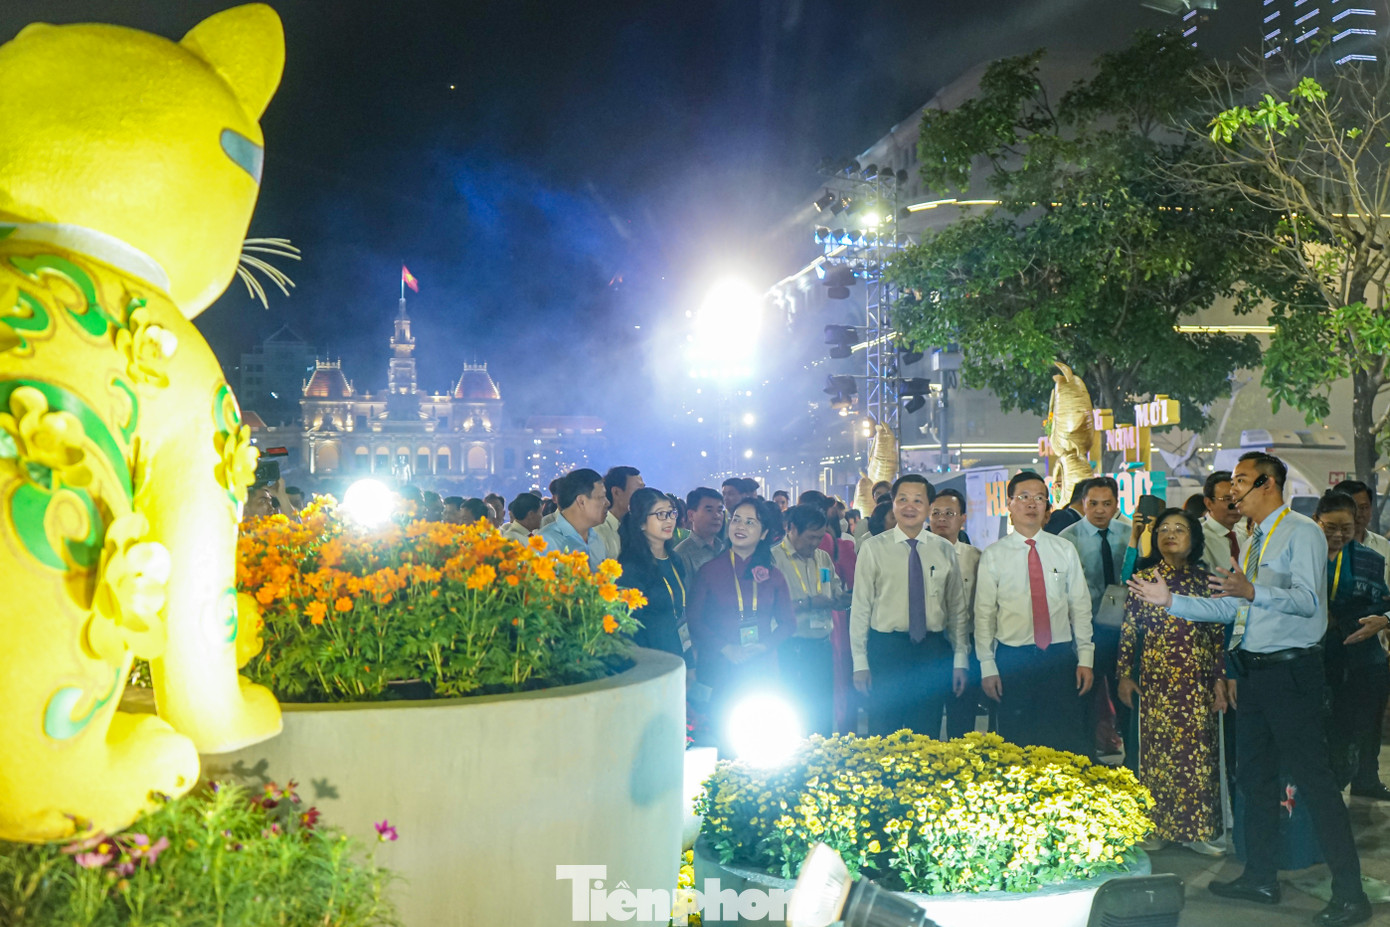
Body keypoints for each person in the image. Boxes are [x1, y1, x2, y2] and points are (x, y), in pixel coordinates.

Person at [1127, 452, 1370, 927]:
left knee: (1315, 782)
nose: (1232, 489)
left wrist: (1252, 592)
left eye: (1240, 480)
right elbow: (1234, 609)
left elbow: (1308, 601)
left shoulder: (1301, 532)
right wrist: (1172, 601)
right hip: (1255, 674)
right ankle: (1260, 876)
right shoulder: (1257, 537)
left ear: (1268, 484)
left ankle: (1350, 893)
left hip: (1291, 674)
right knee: (1254, 779)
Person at [1116, 508, 1227, 856]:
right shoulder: (1143, 579)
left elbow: (1219, 633)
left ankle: (1199, 831)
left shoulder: (1207, 582)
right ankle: (1157, 828)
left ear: (1194, 538)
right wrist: (1124, 675)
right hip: (1155, 683)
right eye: (1163, 528)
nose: (1170, 534)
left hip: (1197, 682)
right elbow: (1129, 631)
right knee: (1156, 758)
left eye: (1179, 528)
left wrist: (1221, 677)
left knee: (1199, 756)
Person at [976, 471, 1094, 755]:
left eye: (1039, 498)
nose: (1032, 504)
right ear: (1009, 504)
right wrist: (987, 666)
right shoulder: (994, 555)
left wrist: (1085, 658)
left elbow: (1080, 606)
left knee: (1064, 740)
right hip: (1013, 660)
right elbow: (984, 615)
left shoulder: (1064, 549)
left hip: (1059, 657)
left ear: (1047, 507)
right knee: (1017, 743)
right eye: (1024, 497)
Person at [851, 475, 969, 738]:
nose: (909, 506)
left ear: (928, 507)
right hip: (886, 651)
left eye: (918, 500)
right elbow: (860, 609)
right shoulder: (873, 549)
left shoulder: (944, 550)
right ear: (892, 504)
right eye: (902, 499)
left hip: (931, 650)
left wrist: (960, 658)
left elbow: (957, 610)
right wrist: (860, 662)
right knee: (884, 731)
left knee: (926, 731)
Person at [686, 498, 794, 756]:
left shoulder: (773, 575)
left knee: (764, 745)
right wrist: (726, 648)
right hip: (721, 667)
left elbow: (788, 623)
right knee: (727, 742)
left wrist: (764, 646)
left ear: (764, 533)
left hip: (761, 668)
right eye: (736, 519)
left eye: (750, 522)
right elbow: (694, 620)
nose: (740, 526)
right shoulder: (709, 571)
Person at [1314, 491, 1390, 800]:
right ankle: (1323, 791)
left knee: (1359, 725)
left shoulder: (1371, 559)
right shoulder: (1302, 556)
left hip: (1360, 654)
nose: (1338, 535)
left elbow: (1383, 600)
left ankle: (1360, 779)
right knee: (1323, 726)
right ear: (1317, 521)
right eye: (1330, 527)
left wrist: (1379, 619)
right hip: (1316, 655)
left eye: (1345, 528)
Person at [1061, 476, 1131, 760]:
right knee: (1084, 696)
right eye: (1093, 504)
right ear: (1083, 503)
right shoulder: (1067, 539)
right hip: (1085, 630)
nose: (1100, 510)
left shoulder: (1130, 534)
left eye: (1107, 503)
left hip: (1123, 630)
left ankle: (1132, 759)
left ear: (1116, 504)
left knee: (1125, 695)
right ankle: (1085, 760)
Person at [772, 504, 847, 735]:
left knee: (822, 713)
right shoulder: (773, 559)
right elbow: (770, 608)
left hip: (821, 645)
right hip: (790, 648)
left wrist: (842, 599)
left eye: (820, 537)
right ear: (791, 528)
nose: (815, 543)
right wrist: (809, 603)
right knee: (794, 713)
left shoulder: (823, 558)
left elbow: (834, 588)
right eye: (810, 537)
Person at [931, 488, 983, 737]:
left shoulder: (976, 558)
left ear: (963, 518)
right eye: (936, 513)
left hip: (966, 645)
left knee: (962, 723)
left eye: (949, 513)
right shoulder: (915, 554)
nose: (941, 518)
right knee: (925, 718)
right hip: (929, 645)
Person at [617, 487, 691, 663]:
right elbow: (629, 628)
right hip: (652, 658)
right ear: (641, 522)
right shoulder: (631, 568)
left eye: (671, 513)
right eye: (660, 514)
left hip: (679, 649)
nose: (669, 520)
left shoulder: (674, 559)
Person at [538, 468, 609, 569]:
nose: (607, 503)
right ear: (581, 501)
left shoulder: (596, 539)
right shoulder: (546, 541)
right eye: (601, 497)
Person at [1331, 479, 1390, 587]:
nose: (1358, 514)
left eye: (1364, 507)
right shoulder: (1324, 545)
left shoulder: (1383, 545)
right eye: (1352, 508)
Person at [1200, 470, 1247, 573]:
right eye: (1227, 499)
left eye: (1239, 498)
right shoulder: (1199, 539)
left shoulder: (1244, 535)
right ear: (1209, 503)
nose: (1235, 505)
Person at [675, 488, 726, 578]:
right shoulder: (681, 555)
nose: (717, 516)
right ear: (691, 515)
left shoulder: (724, 548)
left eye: (719, 510)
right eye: (709, 510)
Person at [595, 466, 643, 559]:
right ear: (616, 492)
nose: (643, 496)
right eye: (638, 491)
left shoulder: (640, 528)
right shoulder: (598, 531)